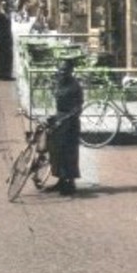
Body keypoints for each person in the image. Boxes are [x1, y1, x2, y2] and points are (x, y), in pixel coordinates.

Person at [49, 56, 84, 194]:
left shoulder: (75, 86)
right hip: (59, 119)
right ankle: (60, 180)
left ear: (70, 71)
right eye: (60, 69)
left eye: (65, 70)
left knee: (69, 153)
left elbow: (78, 108)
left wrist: (65, 118)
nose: (61, 72)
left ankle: (70, 183)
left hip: (70, 123)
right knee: (56, 152)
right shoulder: (59, 82)